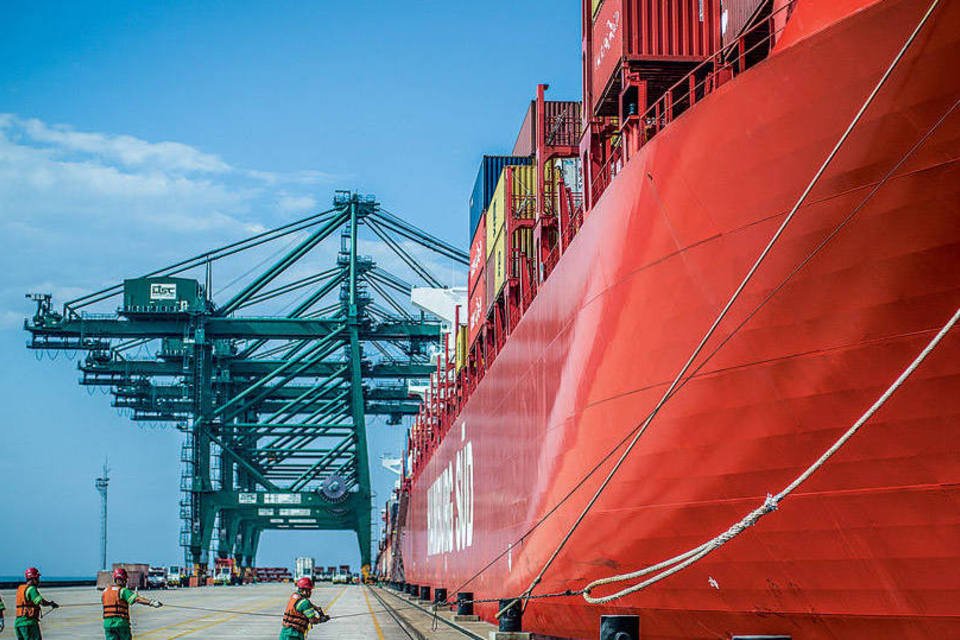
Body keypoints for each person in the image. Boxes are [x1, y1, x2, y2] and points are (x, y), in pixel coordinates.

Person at [102, 567, 162, 640]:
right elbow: (137, 599)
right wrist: (151, 602)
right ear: (124, 579)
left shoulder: (105, 591)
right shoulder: (123, 591)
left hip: (107, 624)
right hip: (120, 623)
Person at [15, 567, 57, 640]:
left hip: (18, 623)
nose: (38, 581)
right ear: (33, 578)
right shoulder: (31, 589)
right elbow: (41, 602)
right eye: (37, 578)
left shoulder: (20, 588)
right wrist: (51, 604)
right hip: (29, 623)